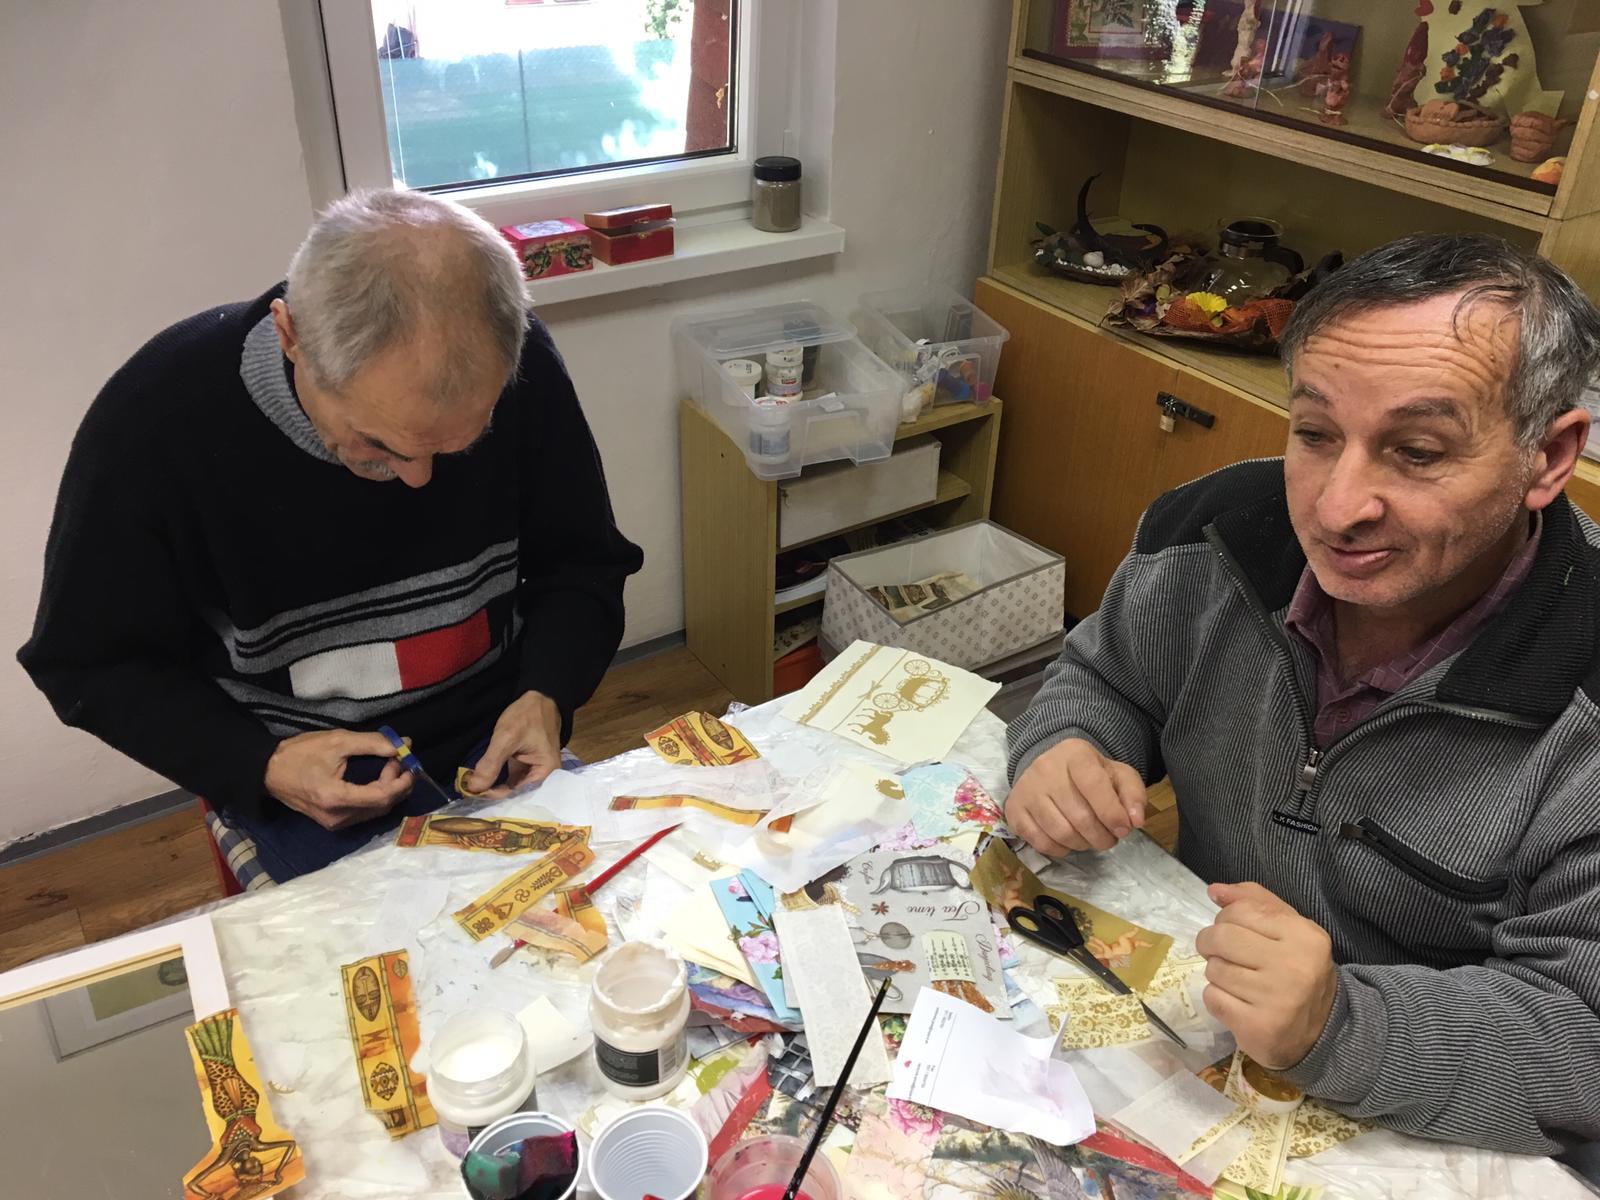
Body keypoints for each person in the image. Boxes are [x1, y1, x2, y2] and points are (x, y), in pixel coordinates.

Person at [1005, 233, 1600, 1156]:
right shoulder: (1211, 535)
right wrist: (1068, 744)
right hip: (1196, 1032)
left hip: (1432, 1125)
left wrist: (1339, 1021)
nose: (1334, 508)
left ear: (1549, 457)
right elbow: (1103, 674)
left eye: (1417, 450)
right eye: (1316, 434)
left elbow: (1581, 1041)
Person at [19, 189, 643, 882]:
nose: (418, 481)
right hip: (299, 769)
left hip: (493, 733)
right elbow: (87, 665)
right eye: (376, 444)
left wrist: (548, 693)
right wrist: (260, 765)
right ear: (291, 336)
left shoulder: (517, 365)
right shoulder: (154, 426)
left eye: (458, 445)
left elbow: (584, 562)